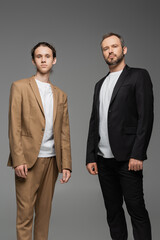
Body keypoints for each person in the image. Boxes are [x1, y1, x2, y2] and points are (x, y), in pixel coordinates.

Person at [86, 33, 153, 240]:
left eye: (114, 46)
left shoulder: (138, 76)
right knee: (113, 213)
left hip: (128, 159)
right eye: (106, 48)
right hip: (103, 161)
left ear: (124, 50)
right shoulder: (100, 84)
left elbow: (146, 117)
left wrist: (138, 154)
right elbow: (94, 122)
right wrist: (90, 156)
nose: (110, 51)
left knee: (136, 210)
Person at [8, 42, 72, 240]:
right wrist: (18, 159)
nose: (43, 59)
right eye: (39, 56)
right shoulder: (19, 87)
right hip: (27, 161)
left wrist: (66, 165)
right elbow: (14, 126)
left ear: (54, 60)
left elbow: (64, 132)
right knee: (25, 216)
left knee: (44, 216)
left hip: (52, 161)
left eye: (47, 56)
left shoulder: (61, 95)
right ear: (33, 60)